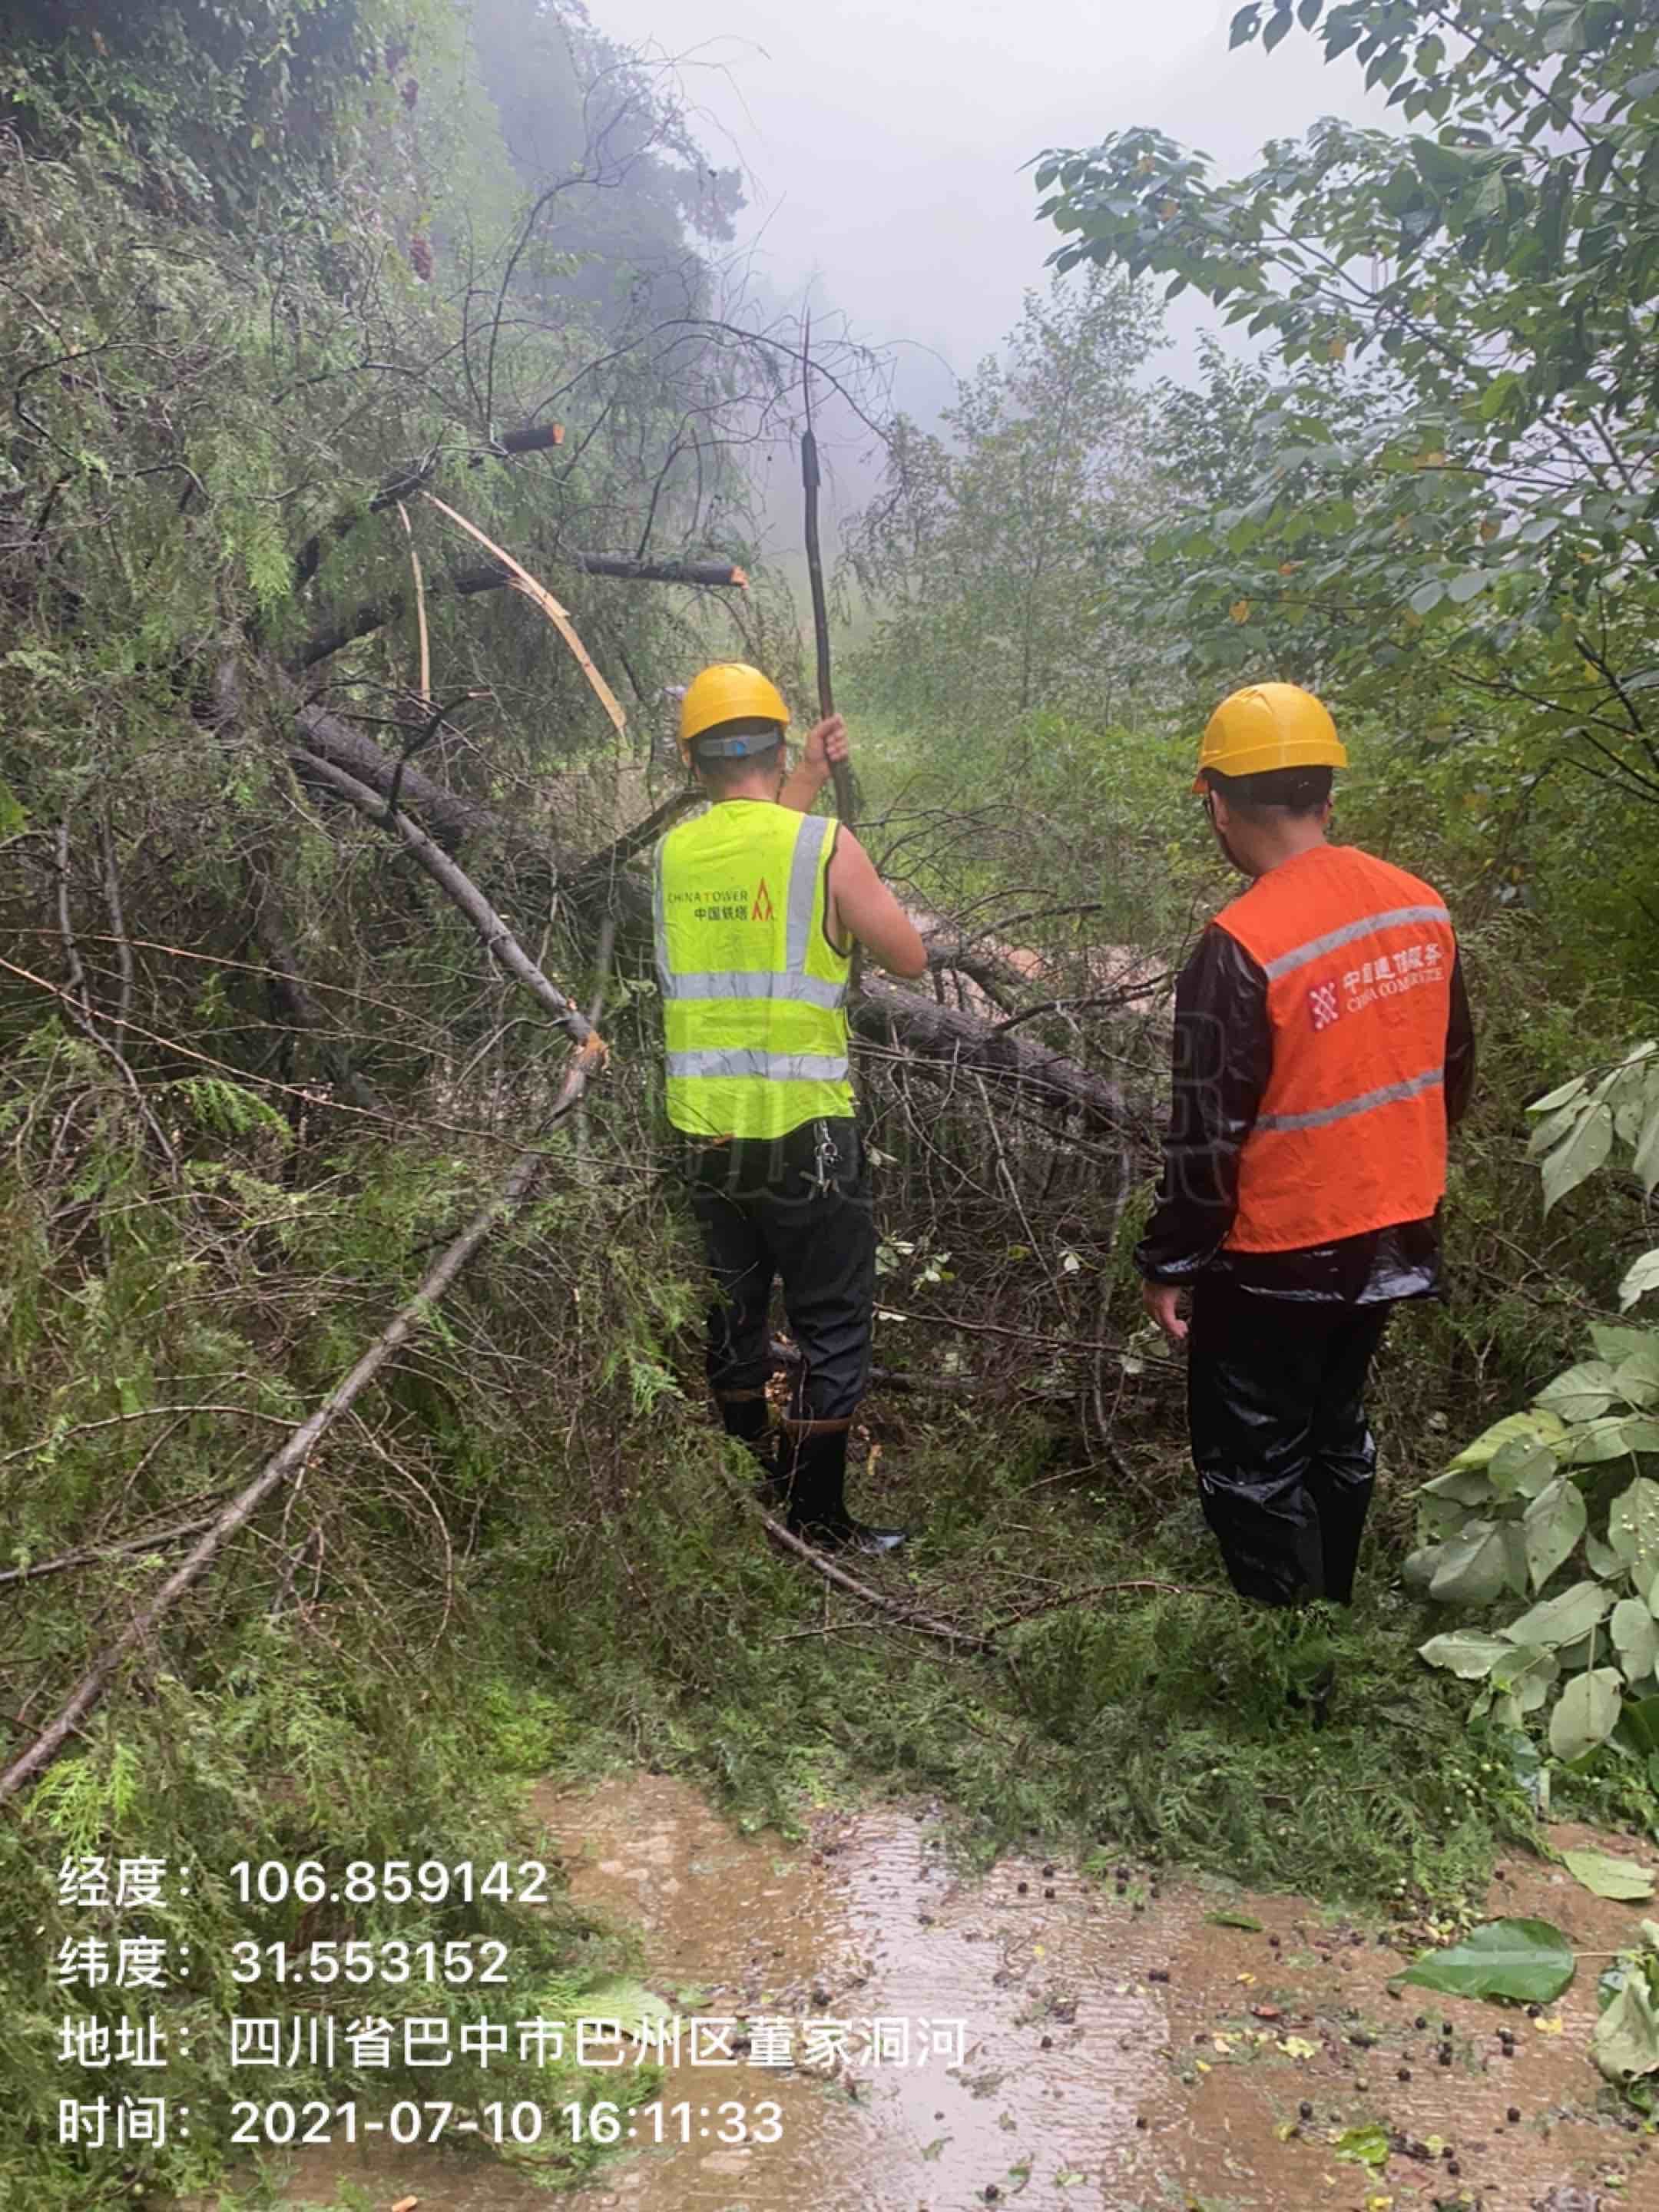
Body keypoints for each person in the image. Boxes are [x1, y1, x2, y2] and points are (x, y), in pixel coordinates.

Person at [1137, 682, 1475, 1664]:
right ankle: (1329, 1625)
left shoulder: (1241, 944)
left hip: (1277, 1250)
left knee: (1255, 1462)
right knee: (1335, 1432)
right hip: (1395, 1229)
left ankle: (1295, 1676)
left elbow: (1206, 1138)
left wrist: (1171, 1262)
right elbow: (1451, 1071)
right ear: (1327, 793)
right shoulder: (1420, 906)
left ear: (1217, 803)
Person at [654, 662, 929, 1554]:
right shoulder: (824, 847)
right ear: (775, 746)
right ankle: (815, 1519)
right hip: (807, 1135)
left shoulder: (672, 857)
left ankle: (751, 1486)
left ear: (691, 760)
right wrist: (815, 801)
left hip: (706, 1131)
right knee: (831, 1321)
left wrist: (806, 778)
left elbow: (755, 857)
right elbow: (908, 956)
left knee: (735, 1311)